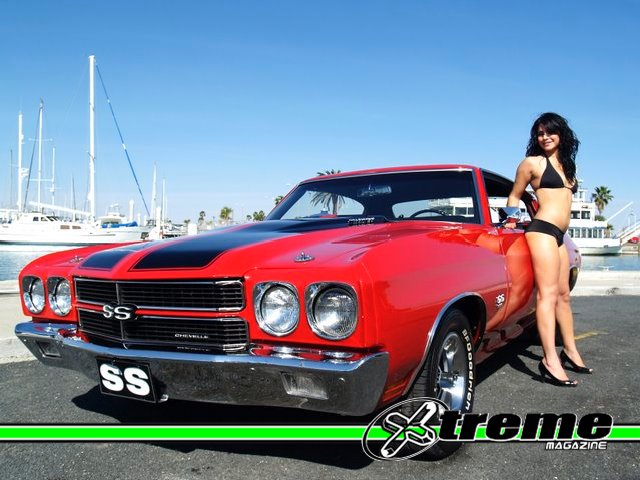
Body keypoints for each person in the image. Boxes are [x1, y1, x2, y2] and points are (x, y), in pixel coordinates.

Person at [507, 112, 592, 387]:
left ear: (561, 134)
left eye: (550, 132)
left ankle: (571, 351)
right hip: (542, 230)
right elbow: (515, 194)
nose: (545, 137)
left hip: (559, 236)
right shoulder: (532, 163)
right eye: (540, 133)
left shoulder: (567, 166)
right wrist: (511, 220)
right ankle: (549, 360)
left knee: (564, 296)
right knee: (547, 295)